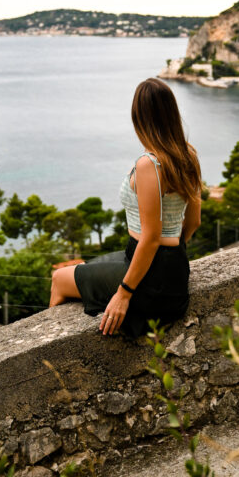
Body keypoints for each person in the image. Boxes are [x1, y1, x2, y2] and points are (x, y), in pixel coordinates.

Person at [49, 77, 202, 337]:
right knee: (89, 266)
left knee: (59, 280)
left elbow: (151, 237)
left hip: (151, 278)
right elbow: (193, 222)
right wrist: (171, 256)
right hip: (175, 269)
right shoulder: (189, 155)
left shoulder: (149, 164)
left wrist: (123, 293)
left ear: (139, 118)